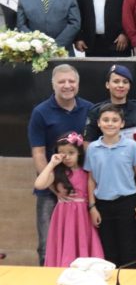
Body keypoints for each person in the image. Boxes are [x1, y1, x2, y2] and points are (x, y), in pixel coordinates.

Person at [83, 65, 136, 261]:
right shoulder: (96, 111)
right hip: (106, 187)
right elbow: (88, 145)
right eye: (116, 81)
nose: (120, 85)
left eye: (125, 82)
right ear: (108, 84)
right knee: (110, 244)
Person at [28, 64, 93, 265]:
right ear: (53, 85)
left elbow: (91, 150)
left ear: (78, 84)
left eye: (71, 81)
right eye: (61, 81)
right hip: (51, 189)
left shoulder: (90, 109)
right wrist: (54, 186)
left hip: (81, 190)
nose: (67, 85)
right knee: (47, 246)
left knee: (82, 245)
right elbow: (38, 153)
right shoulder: (40, 112)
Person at [85, 104, 136, 266]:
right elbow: (91, 178)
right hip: (102, 205)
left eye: (114, 120)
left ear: (122, 123)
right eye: (105, 120)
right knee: (108, 250)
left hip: (127, 203)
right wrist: (92, 207)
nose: (110, 124)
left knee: (129, 248)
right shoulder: (92, 148)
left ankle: (131, 284)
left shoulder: (131, 146)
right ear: (98, 123)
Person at [34, 131, 103, 267]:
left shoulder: (87, 172)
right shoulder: (58, 173)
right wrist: (52, 164)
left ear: (79, 153)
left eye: (71, 153)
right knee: (67, 243)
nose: (67, 157)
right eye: (63, 154)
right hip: (64, 216)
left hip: (83, 215)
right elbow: (39, 184)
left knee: (83, 242)